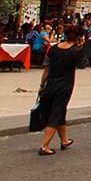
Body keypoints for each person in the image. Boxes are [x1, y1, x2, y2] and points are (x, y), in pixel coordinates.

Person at [36, 25, 84, 156]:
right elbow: (82, 64)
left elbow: (47, 68)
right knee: (57, 112)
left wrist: (42, 85)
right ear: (79, 37)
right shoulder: (75, 51)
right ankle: (44, 146)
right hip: (65, 85)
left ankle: (64, 140)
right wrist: (81, 48)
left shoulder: (54, 49)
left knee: (60, 111)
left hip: (50, 84)